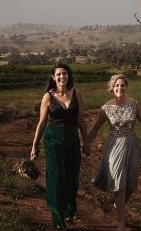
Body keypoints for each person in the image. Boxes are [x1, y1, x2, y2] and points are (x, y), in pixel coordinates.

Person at [87, 74, 141, 231]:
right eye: (117, 85)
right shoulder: (105, 108)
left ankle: (116, 204)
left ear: (126, 87)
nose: (119, 88)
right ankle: (121, 220)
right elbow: (94, 129)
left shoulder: (134, 104)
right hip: (114, 146)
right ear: (112, 88)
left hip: (131, 144)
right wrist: (85, 143)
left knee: (132, 185)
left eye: (122, 85)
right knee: (119, 184)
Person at [30, 63, 89, 229]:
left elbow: (81, 120)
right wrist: (34, 146)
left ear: (68, 76)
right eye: (58, 74)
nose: (62, 77)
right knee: (56, 178)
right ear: (53, 78)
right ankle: (57, 216)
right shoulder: (48, 97)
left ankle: (70, 210)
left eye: (65, 73)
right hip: (53, 140)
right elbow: (41, 123)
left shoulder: (77, 94)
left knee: (72, 177)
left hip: (72, 139)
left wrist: (86, 141)